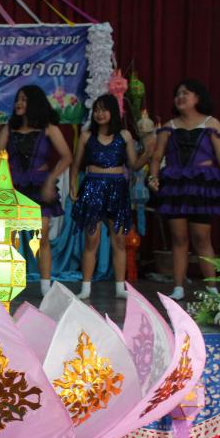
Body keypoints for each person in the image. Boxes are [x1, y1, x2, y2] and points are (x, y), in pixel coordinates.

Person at [148, 79, 220, 300]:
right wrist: (153, 177)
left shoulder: (212, 124)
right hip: (176, 187)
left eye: (186, 93)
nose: (180, 97)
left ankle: (212, 287)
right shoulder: (169, 127)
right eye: (177, 94)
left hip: (201, 187)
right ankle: (178, 287)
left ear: (198, 98)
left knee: (202, 238)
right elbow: (156, 156)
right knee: (178, 237)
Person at [0, 85, 72, 295]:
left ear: (34, 102)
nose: (19, 103)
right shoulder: (9, 128)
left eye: (24, 99)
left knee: (41, 234)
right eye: (18, 99)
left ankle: (45, 287)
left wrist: (51, 180)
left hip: (39, 185)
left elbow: (67, 156)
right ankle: (7, 284)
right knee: (9, 237)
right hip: (14, 185)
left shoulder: (48, 128)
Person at [70, 94, 154, 299]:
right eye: (97, 110)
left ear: (113, 112)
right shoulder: (86, 136)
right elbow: (76, 163)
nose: (100, 114)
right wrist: (73, 184)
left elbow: (134, 165)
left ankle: (119, 288)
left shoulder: (124, 136)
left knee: (119, 240)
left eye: (104, 109)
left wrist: (148, 154)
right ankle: (86, 288)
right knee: (91, 240)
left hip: (117, 188)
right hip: (92, 187)